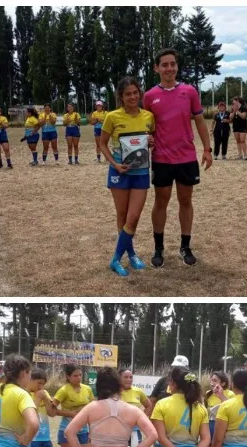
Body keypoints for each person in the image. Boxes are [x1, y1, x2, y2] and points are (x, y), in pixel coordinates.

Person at [143, 48, 213, 269]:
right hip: (162, 158)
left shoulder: (190, 92)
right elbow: (144, 126)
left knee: (185, 201)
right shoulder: (149, 96)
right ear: (157, 68)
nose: (169, 68)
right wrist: (146, 139)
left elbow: (200, 122)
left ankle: (185, 246)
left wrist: (207, 149)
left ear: (177, 66)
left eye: (173, 64)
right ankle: (158, 248)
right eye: (164, 64)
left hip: (186, 158)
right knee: (161, 202)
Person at [100, 76, 155, 277]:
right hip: (119, 172)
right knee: (122, 216)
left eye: (135, 92)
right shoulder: (112, 117)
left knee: (133, 217)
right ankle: (131, 254)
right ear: (121, 97)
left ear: (139, 93)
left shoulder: (149, 116)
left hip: (141, 173)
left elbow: (152, 140)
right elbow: (103, 144)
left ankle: (115, 259)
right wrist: (114, 164)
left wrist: (151, 141)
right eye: (127, 94)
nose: (132, 97)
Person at [146, 355, 190, 447]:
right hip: (161, 423)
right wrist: (148, 421)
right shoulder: (163, 381)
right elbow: (151, 401)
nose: (175, 369)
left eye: (180, 367)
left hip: (182, 429)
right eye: (174, 366)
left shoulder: (190, 386)